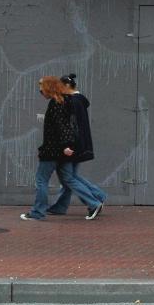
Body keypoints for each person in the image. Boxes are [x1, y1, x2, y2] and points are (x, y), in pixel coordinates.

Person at [21, 76, 104, 221]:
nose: (40, 92)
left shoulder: (57, 103)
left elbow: (62, 126)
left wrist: (66, 145)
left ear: (50, 88)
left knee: (42, 180)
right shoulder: (66, 101)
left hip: (53, 150)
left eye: (42, 89)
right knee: (69, 178)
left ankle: (38, 212)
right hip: (64, 150)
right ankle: (93, 201)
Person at [47, 73, 108, 217]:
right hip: (79, 144)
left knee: (67, 177)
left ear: (67, 86)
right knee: (71, 176)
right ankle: (95, 197)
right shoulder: (80, 101)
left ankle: (94, 202)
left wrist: (67, 145)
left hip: (71, 146)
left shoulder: (71, 102)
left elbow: (71, 126)